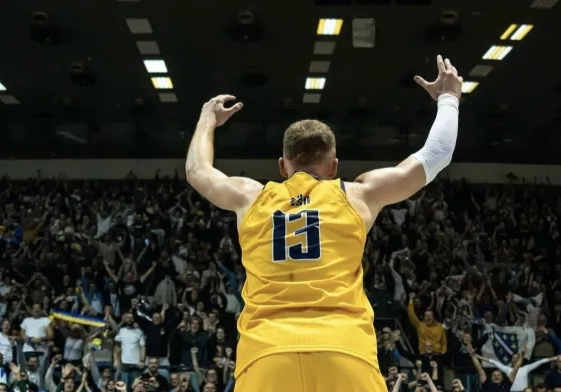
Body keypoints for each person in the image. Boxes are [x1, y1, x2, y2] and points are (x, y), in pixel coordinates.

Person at [184, 55, 463, 391]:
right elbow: (437, 154)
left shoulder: (250, 197)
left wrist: (207, 118)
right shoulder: (358, 195)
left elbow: (197, 171)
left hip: (267, 353)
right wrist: (449, 99)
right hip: (344, 350)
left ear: (282, 167)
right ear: (333, 167)